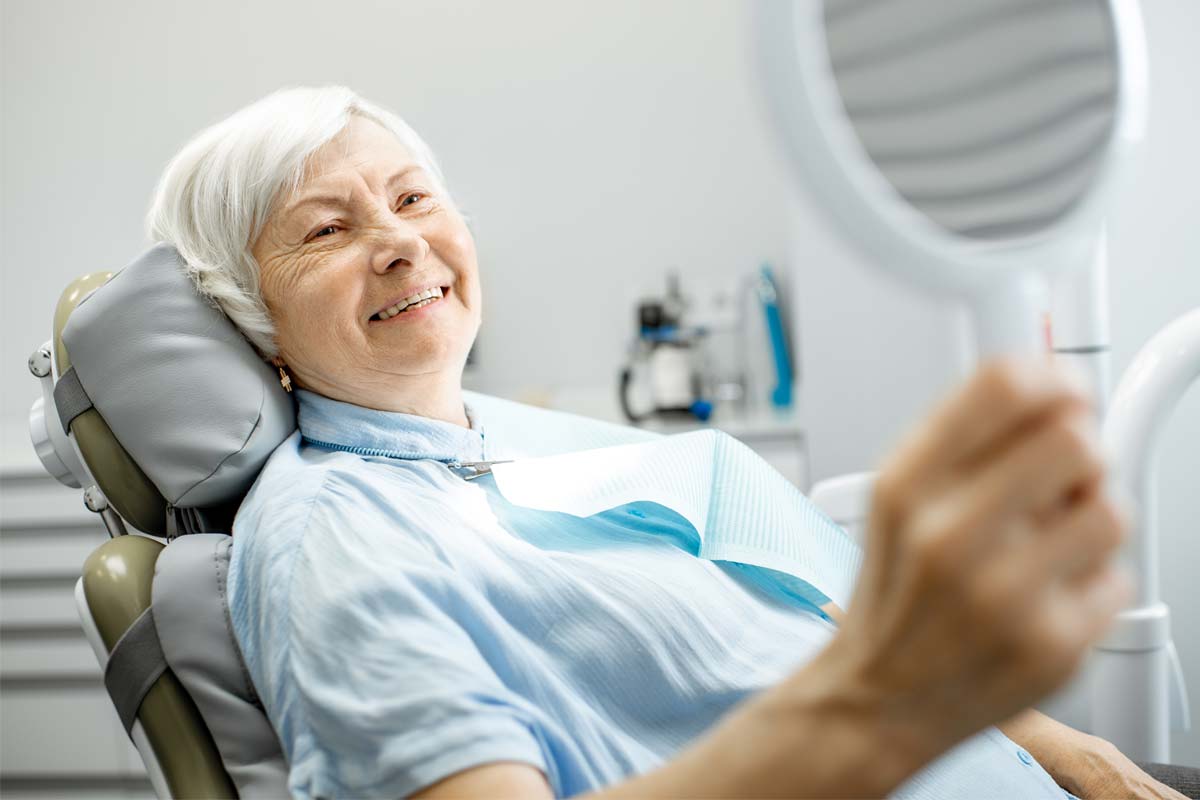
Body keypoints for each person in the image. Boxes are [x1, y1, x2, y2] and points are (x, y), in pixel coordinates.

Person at [148, 86, 1195, 799]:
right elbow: (870, 671)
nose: (399, 240)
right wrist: (882, 702)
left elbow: (809, 609)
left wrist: (1069, 749)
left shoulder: (511, 439)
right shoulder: (332, 540)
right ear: (251, 314)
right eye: (327, 230)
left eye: (414, 196)